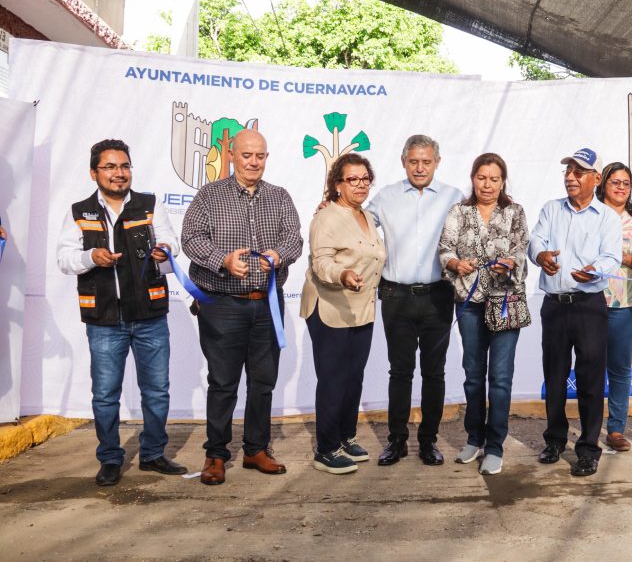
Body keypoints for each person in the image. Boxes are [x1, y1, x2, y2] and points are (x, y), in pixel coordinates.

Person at [56, 139, 187, 486]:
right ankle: (110, 459)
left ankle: (153, 454)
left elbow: (172, 245)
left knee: (156, 391)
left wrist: (164, 251)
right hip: (103, 320)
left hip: (150, 316)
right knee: (105, 395)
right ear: (94, 172)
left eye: (124, 166)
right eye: (110, 167)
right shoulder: (80, 211)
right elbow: (64, 260)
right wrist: (90, 257)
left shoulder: (149, 205)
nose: (119, 173)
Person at [181, 129, 303, 485]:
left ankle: (256, 449)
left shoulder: (280, 196)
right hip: (222, 304)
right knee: (223, 382)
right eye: (247, 155)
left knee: (263, 381)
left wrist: (279, 255)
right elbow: (191, 238)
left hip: (266, 304)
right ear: (232, 156)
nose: (253, 162)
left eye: (260, 156)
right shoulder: (209, 196)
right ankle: (216, 454)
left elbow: (293, 239)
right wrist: (222, 260)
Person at [365, 134, 463, 466]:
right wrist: (331, 205)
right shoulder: (386, 197)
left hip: (438, 296)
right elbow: (357, 221)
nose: (420, 168)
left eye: (426, 162)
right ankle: (397, 441)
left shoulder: (454, 197)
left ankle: (428, 441)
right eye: (413, 161)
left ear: (438, 162)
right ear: (403, 162)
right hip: (397, 296)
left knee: (434, 373)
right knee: (400, 372)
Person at [528, 147, 620, 477]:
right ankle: (554, 440)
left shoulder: (607, 217)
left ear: (596, 179)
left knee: (590, 380)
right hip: (554, 306)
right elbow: (535, 241)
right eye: (568, 170)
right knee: (554, 377)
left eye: (578, 172)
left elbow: (612, 257)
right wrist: (541, 256)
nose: (570, 177)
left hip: (589, 306)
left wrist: (595, 270)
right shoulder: (551, 209)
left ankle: (588, 449)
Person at [438, 153, 529, 476]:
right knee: (473, 375)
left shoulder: (515, 212)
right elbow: (445, 249)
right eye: (481, 178)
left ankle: (494, 446)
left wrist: (511, 263)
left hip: (505, 302)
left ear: (503, 181)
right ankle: (474, 438)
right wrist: (455, 264)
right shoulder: (459, 212)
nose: (487, 185)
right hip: (470, 302)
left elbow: (521, 250)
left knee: (500, 379)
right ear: (472, 178)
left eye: (494, 179)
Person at [300, 153, 385, 475]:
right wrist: (343, 274)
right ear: (338, 184)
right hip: (330, 307)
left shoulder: (365, 215)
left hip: (362, 308)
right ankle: (326, 449)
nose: (360, 185)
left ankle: (345, 437)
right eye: (353, 179)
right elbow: (321, 263)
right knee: (333, 379)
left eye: (365, 179)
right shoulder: (327, 218)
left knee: (353, 377)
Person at [595, 162, 632, 452]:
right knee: (590, 368)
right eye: (614, 182)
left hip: (627, 305)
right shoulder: (590, 213)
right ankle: (590, 428)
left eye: (626, 183)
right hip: (590, 303)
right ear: (603, 184)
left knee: (619, 369)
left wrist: (625, 258)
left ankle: (616, 429)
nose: (620, 187)